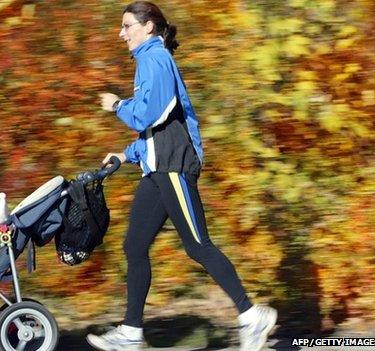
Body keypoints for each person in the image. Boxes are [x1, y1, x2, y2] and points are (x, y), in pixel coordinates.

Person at [86, 2, 277, 351]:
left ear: (148, 27)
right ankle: (131, 332)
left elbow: (148, 115)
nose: (121, 33)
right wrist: (126, 154)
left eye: (127, 25)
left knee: (197, 245)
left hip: (173, 166)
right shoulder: (150, 60)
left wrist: (116, 105)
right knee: (135, 245)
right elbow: (160, 128)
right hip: (159, 167)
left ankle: (252, 315)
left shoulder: (154, 59)